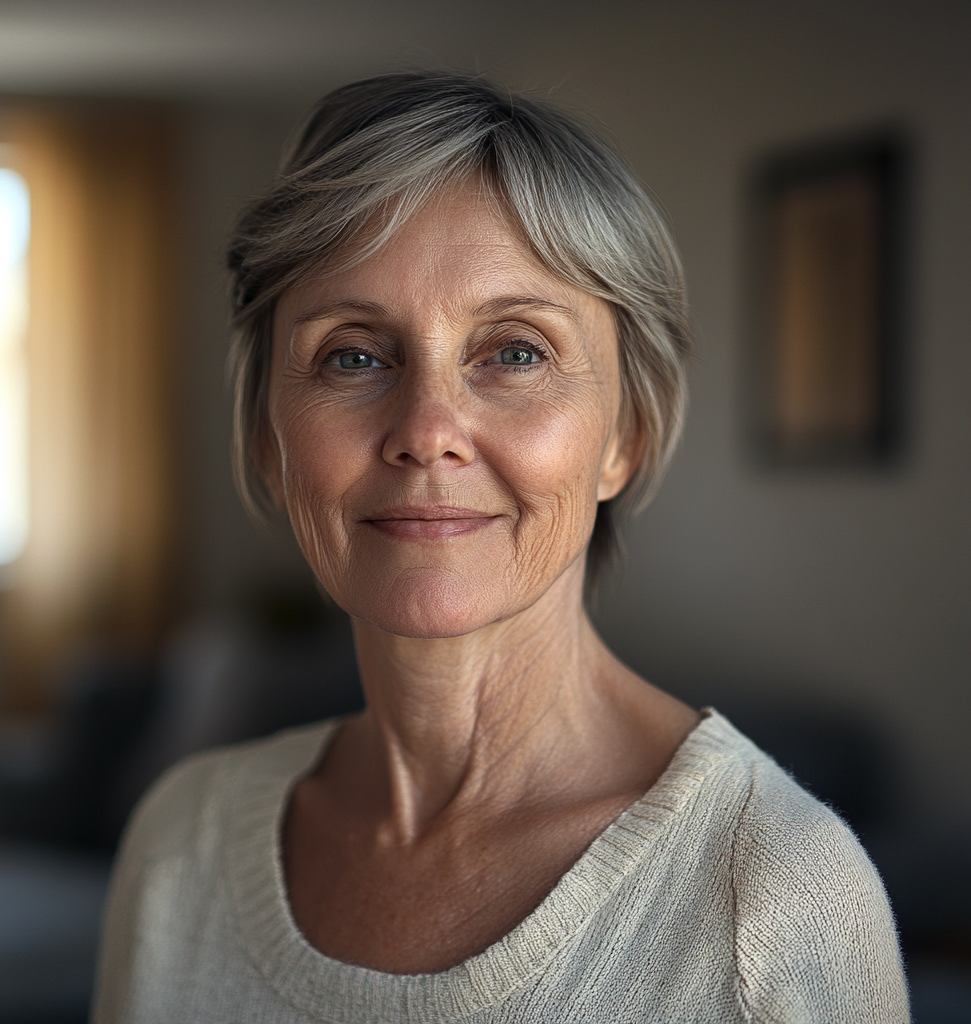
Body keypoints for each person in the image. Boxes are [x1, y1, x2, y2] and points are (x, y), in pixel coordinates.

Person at [92, 72, 909, 1023]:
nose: (428, 428)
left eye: (515, 351)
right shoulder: (178, 848)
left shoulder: (770, 895)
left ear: (625, 437)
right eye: (353, 354)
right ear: (266, 444)